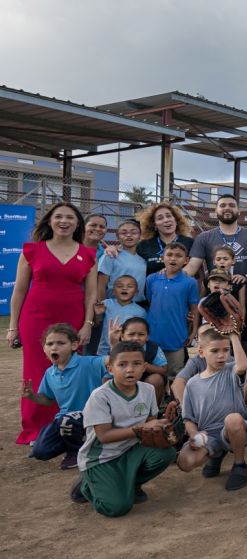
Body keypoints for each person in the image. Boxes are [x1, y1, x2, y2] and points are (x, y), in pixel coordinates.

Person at [8, 202, 98, 445]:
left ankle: (68, 426)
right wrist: (13, 326)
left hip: (73, 321)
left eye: (70, 217)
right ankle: (35, 430)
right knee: (36, 372)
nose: (64, 221)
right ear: (49, 221)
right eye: (58, 216)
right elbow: (19, 290)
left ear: (78, 223)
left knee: (69, 374)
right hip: (35, 319)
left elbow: (91, 295)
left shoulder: (88, 254)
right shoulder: (31, 250)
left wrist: (88, 323)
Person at [70, 341, 178, 516]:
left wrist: (164, 421)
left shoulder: (148, 390)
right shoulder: (100, 396)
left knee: (167, 453)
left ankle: (131, 484)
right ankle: (87, 485)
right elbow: (104, 436)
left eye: (136, 364)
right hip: (102, 457)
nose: (130, 370)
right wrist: (141, 427)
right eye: (122, 364)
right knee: (116, 508)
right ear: (110, 368)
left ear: (144, 368)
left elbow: (150, 423)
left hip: (131, 449)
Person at [176, 328, 247, 491]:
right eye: (214, 351)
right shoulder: (192, 384)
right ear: (201, 352)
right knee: (185, 462)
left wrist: (233, 335)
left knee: (232, 419)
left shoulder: (231, 371)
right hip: (208, 436)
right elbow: (188, 419)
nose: (221, 355)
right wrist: (194, 436)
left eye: (226, 350)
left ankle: (239, 465)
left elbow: (242, 366)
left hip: (234, 429)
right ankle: (216, 454)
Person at [186, 195, 247, 354]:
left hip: (245, 298)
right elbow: (192, 267)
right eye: (222, 205)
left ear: (238, 210)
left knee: (243, 344)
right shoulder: (204, 237)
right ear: (216, 210)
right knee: (215, 344)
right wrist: (168, 273)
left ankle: (242, 377)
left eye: (231, 205)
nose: (227, 208)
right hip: (215, 301)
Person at [22, 324, 107, 470]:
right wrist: (32, 397)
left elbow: (112, 361)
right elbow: (48, 400)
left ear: (74, 345)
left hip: (91, 416)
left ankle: (75, 453)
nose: (54, 347)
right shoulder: (50, 373)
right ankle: (83, 442)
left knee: (66, 420)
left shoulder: (88, 363)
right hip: (64, 420)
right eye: (49, 344)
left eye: (61, 343)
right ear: (44, 349)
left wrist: (114, 343)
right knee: (40, 451)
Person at [146, 242, 199, 377]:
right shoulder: (152, 279)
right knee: (155, 375)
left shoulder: (190, 282)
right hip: (153, 338)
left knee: (175, 375)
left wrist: (193, 332)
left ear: (186, 260)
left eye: (178, 256)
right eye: (169, 255)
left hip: (176, 337)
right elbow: (151, 301)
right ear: (162, 258)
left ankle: (175, 398)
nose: (173, 259)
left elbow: (194, 309)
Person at [135, 202, 195, 276]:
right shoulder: (143, 245)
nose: (166, 220)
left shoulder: (190, 243)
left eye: (169, 216)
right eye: (160, 218)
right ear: (154, 225)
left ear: (176, 220)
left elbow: (198, 273)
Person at [97, 219, 147, 306]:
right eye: (124, 233)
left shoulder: (143, 260)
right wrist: (101, 308)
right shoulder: (110, 255)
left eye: (134, 233)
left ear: (140, 236)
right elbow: (100, 286)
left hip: (139, 306)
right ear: (117, 236)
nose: (128, 235)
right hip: (115, 305)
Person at [94, 275, 146, 357]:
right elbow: (97, 323)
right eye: (119, 286)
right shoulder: (106, 304)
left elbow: (141, 332)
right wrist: (98, 314)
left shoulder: (140, 311)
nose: (124, 288)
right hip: (105, 349)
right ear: (113, 291)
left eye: (129, 286)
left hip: (127, 350)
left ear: (136, 292)